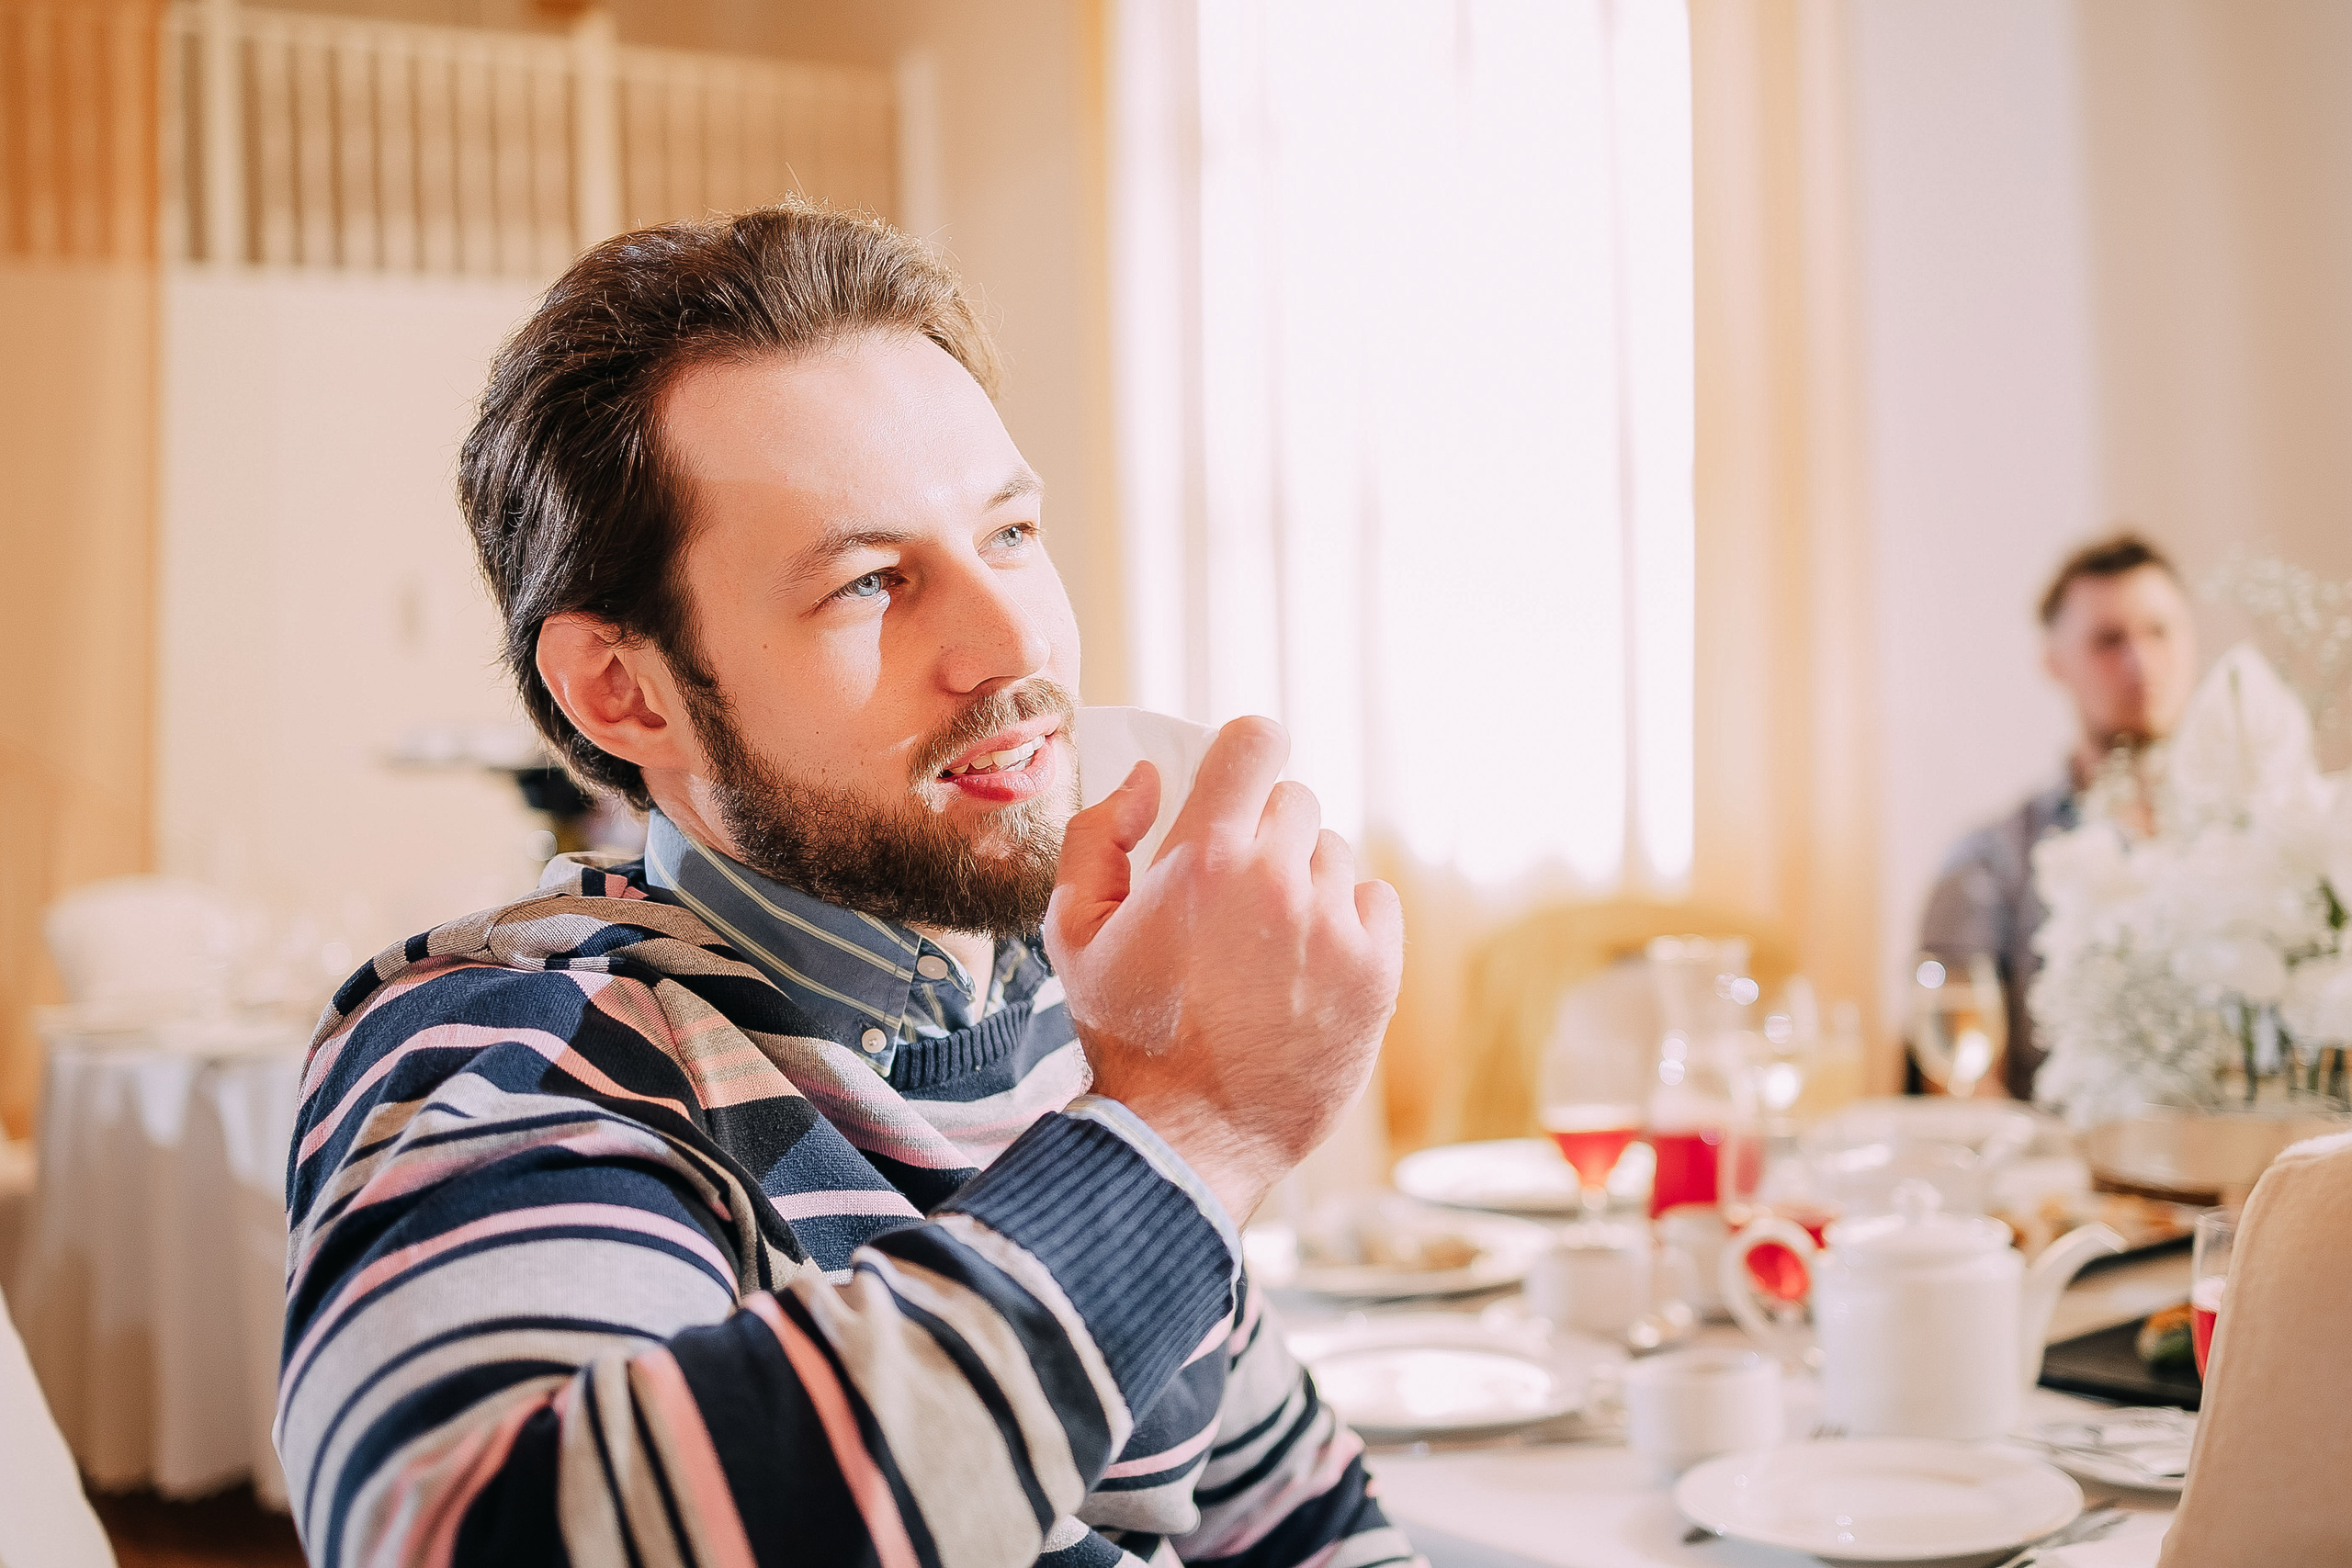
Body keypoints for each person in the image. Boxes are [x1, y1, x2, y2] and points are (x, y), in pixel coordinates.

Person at [277, 202, 1414, 1568]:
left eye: (1010, 532)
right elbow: (476, 1536)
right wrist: (1193, 1132)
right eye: (871, 581)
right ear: (624, 690)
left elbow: (1304, 1523)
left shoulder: (1061, 1013)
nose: (1015, 644)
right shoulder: (529, 1049)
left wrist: (1159, 1129)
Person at [1918, 532, 2199, 1100]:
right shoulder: (1987, 865)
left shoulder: (2266, 840)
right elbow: (1963, 1091)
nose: (2140, 662)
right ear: (2054, 662)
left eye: (2159, 632)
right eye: (2108, 641)